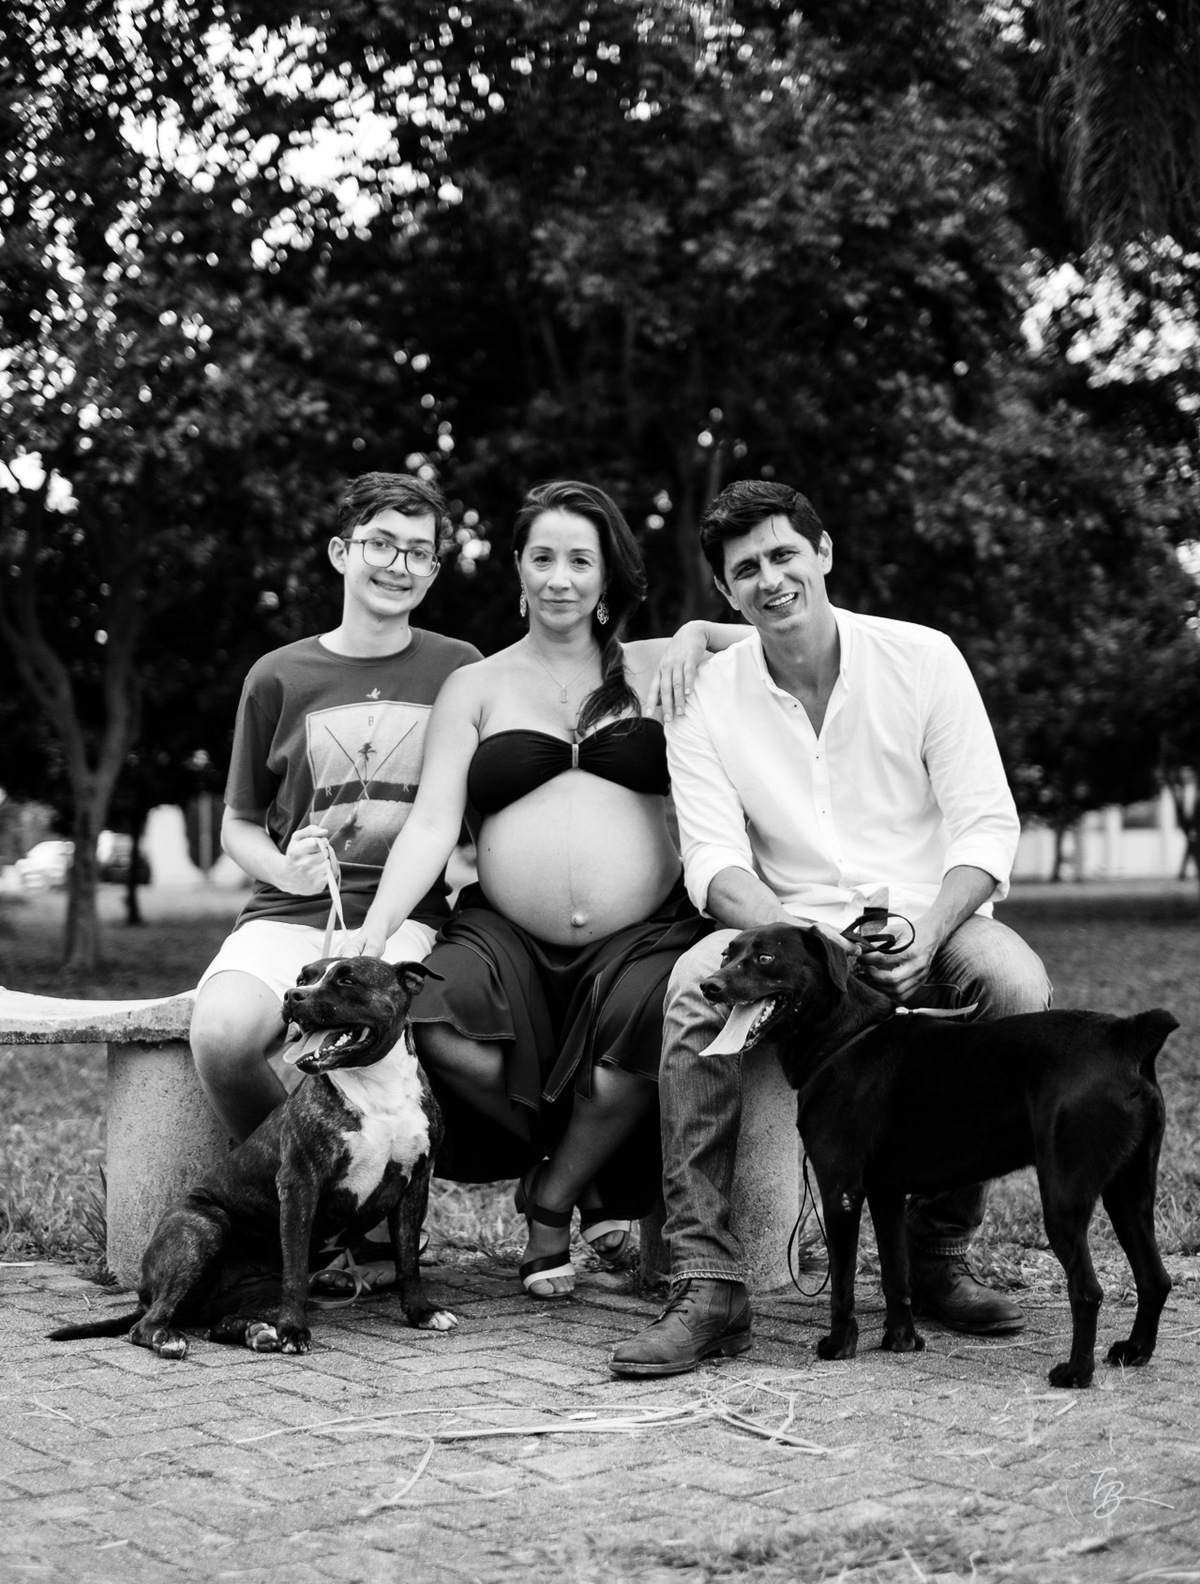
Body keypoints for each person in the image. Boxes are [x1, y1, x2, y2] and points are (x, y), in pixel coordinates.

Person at [610, 478, 1052, 1378]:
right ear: (727, 593)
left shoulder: (923, 658)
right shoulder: (704, 694)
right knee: (697, 988)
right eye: (746, 570)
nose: (770, 579)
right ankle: (709, 1283)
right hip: (790, 932)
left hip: (926, 914)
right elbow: (712, 859)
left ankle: (933, 1258)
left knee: (1015, 987)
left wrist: (928, 935)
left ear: (823, 552)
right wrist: (808, 953)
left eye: (783, 555)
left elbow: (986, 824)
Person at [359, 480, 747, 1298]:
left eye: (581, 560)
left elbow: (778, 628)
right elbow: (433, 825)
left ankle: (551, 1198)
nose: (561, 578)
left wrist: (698, 629)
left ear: (609, 577)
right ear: (519, 569)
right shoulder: (477, 684)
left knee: (635, 1056)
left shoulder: (657, 668)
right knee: (430, 1017)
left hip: (643, 933)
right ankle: (565, 1157)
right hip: (503, 933)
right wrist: (373, 931)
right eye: (544, 558)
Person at [190, 472, 481, 1146]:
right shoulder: (276, 677)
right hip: (284, 915)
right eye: (381, 543)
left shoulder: (462, 669)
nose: (398, 565)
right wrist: (284, 870)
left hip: (405, 919)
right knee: (223, 1037)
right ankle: (308, 1194)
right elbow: (239, 821)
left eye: (418, 551)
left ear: (434, 570)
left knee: (367, 1035)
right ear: (340, 552)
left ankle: (362, 1199)